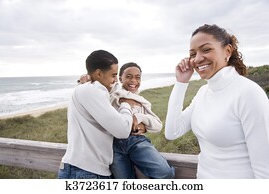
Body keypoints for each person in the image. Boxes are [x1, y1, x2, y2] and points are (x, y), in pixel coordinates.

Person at [165, 24, 269, 178]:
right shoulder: (203, 92)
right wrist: (181, 83)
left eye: (206, 50)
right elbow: (172, 132)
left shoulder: (249, 93)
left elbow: (265, 171)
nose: (198, 59)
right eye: (192, 54)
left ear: (227, 51)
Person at [80, 62, 175, 179]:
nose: (133, 81)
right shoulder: (112, 92)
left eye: (137, 77)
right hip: (112, 145)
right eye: (128, 77)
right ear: (120, 78)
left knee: (165, 172)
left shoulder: (141, 101)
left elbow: (158, 125)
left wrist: (140, 119)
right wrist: (88, 78)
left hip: (136, 141)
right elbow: (98, 83)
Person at [58, 50, 136, 179]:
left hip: (86, 170)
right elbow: (123, 130)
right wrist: (126, 105)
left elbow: (114, 88)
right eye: (113, 75)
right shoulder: (91, 91)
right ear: (99, 73)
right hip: (85, 172)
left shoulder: (88, 89)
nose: (116, 80)